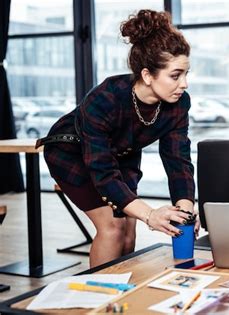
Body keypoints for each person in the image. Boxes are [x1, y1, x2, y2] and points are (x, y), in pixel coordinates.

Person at [37, 10, 198, 268]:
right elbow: (102, 171)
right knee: (113, 227)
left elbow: (178, 159)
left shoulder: (178, 103)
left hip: (122, 155)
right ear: (147, 75)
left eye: (186, 74)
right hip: (72, 152)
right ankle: (97, 301)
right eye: (176, 75)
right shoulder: (105, 99)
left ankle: (121, 292)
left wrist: (185, 208)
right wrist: (150, 215)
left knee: (128, 231)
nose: (185, 84)